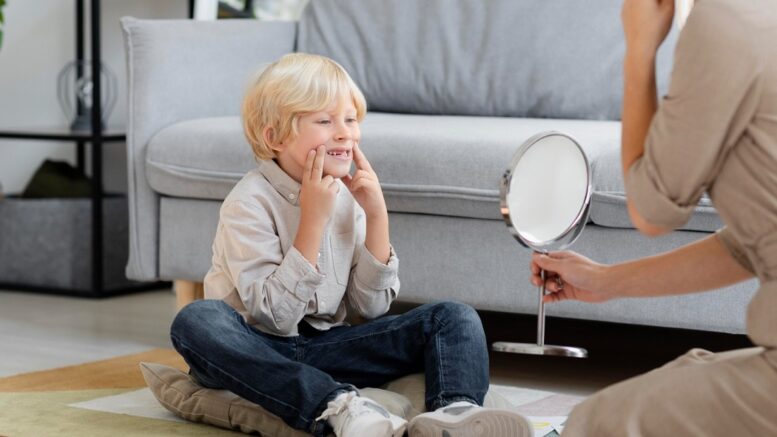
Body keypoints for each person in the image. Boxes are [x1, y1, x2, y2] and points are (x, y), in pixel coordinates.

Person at [169, 53, 531, 437]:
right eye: (325, 121)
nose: (345, 134)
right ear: (274, 137)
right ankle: (337, 406)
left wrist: (377, 216)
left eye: (351, 119)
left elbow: (370, 308)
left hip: (327, 347)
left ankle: (455, 415)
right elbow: (276, 318)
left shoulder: (347, 198)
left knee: (454, 316)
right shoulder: (248, 203)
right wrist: (312, 220)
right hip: (255, 350)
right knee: (196, 321)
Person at [530, 0, 777, 435]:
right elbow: (751, 243)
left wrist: (639, 50)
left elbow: (651, 211)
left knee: (598, 423)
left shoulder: (724, 21)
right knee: (689, 373)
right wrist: (605, 280)